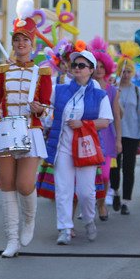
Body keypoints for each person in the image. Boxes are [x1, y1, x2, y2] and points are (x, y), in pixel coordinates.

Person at [0, 0, 52, 258]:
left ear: (33, 43)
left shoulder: (43, 72)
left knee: (25, 184)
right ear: (13, 43)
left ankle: (29, 220)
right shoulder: (1, 71)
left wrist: (41, 109)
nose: (21, 43)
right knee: (7, 185)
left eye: (25, 39)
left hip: (31, 131)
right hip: (6, 133)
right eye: (17, 39)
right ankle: (12, 239)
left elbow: (48, 106)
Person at [45, 50, 114, 244]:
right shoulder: (59, 90)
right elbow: (46, 110)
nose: (76, 68)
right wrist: (40, 111)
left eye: (81, 66)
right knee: (63, 190)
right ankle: (65, 228)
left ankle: (89, 220)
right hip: (63, 147)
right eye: (74, 65)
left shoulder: (100, 94)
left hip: (86, 147)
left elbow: (106, 121)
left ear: (91, 70)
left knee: (86, 192)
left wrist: (83, 124)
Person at [112, 60, 140, 214]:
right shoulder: (114, 90)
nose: (125, 75)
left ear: (132, 73)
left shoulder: (138, 91)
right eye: (123, 71)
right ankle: (115, 193)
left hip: (132, 135)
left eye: (128, 71)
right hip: (115, 134)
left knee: (128, 168)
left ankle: (126, 200)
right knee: (114, 167)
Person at [92, 48, 121, 220]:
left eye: (103, 66)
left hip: (108, 136)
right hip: (88, 134)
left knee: (104, 175)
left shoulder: (112, 91)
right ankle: (89, 205)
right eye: (96, 66)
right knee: (88, 175)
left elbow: (117, 116)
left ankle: (101, 204)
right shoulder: (85, 87)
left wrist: (118, 139)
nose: (99, 69)